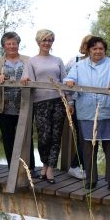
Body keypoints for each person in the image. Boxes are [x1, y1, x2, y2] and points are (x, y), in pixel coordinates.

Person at [64, 36, 110, 192]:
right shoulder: (79, 66)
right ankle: (91, 179)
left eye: (101, 49)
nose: (98, 51)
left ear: (105, 50)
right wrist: (70, 81)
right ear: (89, 50)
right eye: (94, 48)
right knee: (88, 148)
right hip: (87, 111)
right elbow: (69, 78)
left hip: (109, 111)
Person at [21, 29, 67, 184]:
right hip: (40, 103)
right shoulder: (31, 61)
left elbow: (65, 81)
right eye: (44, 40)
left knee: (56, 136)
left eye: (50, 40)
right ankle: (44, 163)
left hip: (58, 101)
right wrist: (26, 79)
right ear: (38, 42)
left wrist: (70, 102)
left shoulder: (58, 60)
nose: (47, 43)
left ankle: (50, 168)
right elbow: (26, 78)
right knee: (44, 136)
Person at [0, 31, 36, 170]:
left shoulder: (28, 60)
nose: (11, 46)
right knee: (8, 138)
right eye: (8, 44)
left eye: (14, 43)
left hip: (24, 105)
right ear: (4, 46)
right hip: (4, 106)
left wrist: (29, 80)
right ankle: (12, 167)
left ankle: (30, 167)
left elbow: (34, 78)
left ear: (18, 44)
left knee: (26, 138)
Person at [63, 35, 92, 180]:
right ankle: (75, 166)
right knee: (83, 138)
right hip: (77, 105)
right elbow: (67, 83)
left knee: (90, 138)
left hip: (94, 106)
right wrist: (70, 103)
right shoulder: (74, 61)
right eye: (89, 44)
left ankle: (87, 169)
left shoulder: (103, 63)